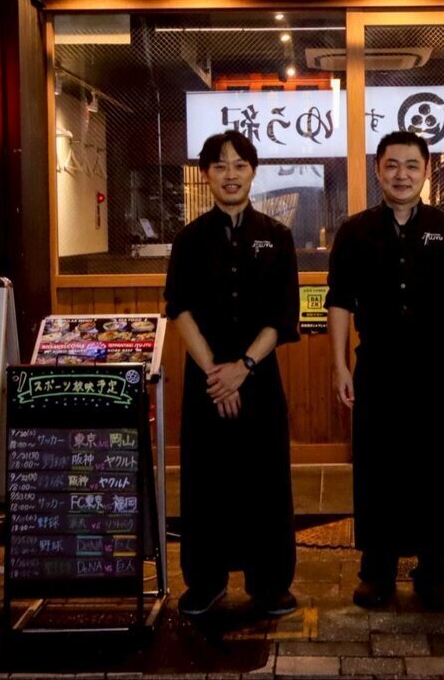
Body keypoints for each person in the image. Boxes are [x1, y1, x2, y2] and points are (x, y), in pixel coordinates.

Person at [326, 131, 444, 611]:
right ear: (378, 170)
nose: (402, 175)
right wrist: (340, 364)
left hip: (435, 366)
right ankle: (376, 570)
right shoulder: (354, 232)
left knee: (436, 467)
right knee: (378, 467)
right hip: (377, 365)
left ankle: (434, 571)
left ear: (426, 170)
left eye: (412, 165)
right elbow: (339, 301)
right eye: (392, 165)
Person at [165, 130, 300, 618]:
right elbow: (179, 309)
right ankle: (206, 581)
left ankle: (270, 583)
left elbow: (282, 317)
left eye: (239, 165)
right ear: (205, 174)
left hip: (258, 379)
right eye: (220, 166)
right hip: (206, 381)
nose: (230, 174)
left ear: (253, 172)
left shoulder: (277, 236)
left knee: (266, 480)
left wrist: (242, 369)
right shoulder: (189, 239)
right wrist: (215, 374)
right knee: (206, 482)